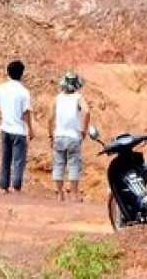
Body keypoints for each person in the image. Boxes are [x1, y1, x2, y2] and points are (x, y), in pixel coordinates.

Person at [0, 59, 34, 194]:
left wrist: (1, 111)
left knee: (6, 158)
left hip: (5, 128)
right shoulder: (24, 92)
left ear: (8, 73)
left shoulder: (3, 88)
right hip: (19, 130)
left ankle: (3, 186)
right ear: (22, 74)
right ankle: (16, 187)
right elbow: (27, 112)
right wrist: (30, 129)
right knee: (18, 160)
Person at [48, 71, 90, 202]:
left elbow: (50, 118)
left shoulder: (57, 98)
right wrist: (83, 130)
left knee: (59, 164)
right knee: (73, 164)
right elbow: (87, 111)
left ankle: (60, 193)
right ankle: (74, 195)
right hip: (73, 136)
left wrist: (51, 135)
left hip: (59, 135)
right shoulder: (78, 97)